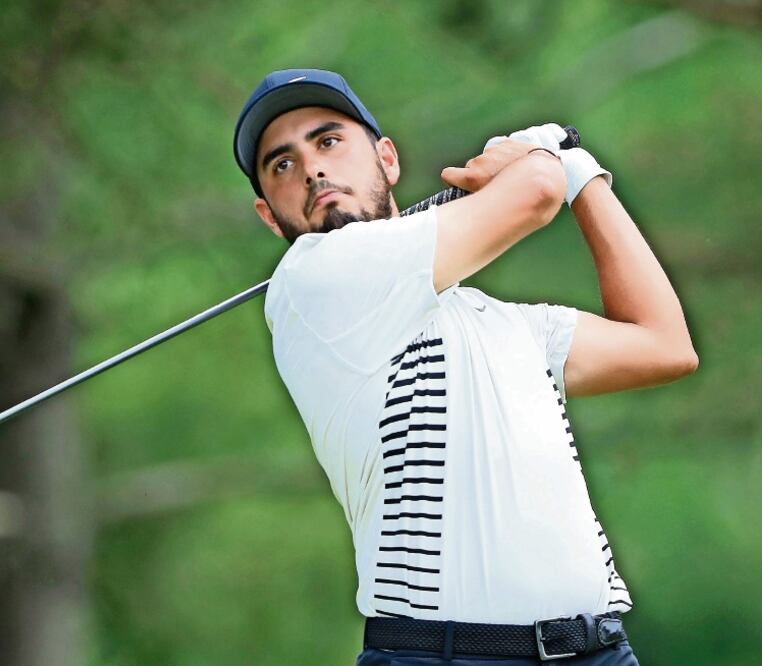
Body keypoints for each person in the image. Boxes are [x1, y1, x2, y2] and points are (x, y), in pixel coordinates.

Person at [232, 69, 698, 665]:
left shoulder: (502, 322)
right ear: (270, 217)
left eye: (328, 142)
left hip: (597, 649)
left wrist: (581, 174)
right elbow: (532, 194)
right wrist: (537, 152)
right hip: (443, 654)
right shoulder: (312, 280)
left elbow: (664, 344)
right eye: (282, 165)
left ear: (387, 159)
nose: (312, 170)